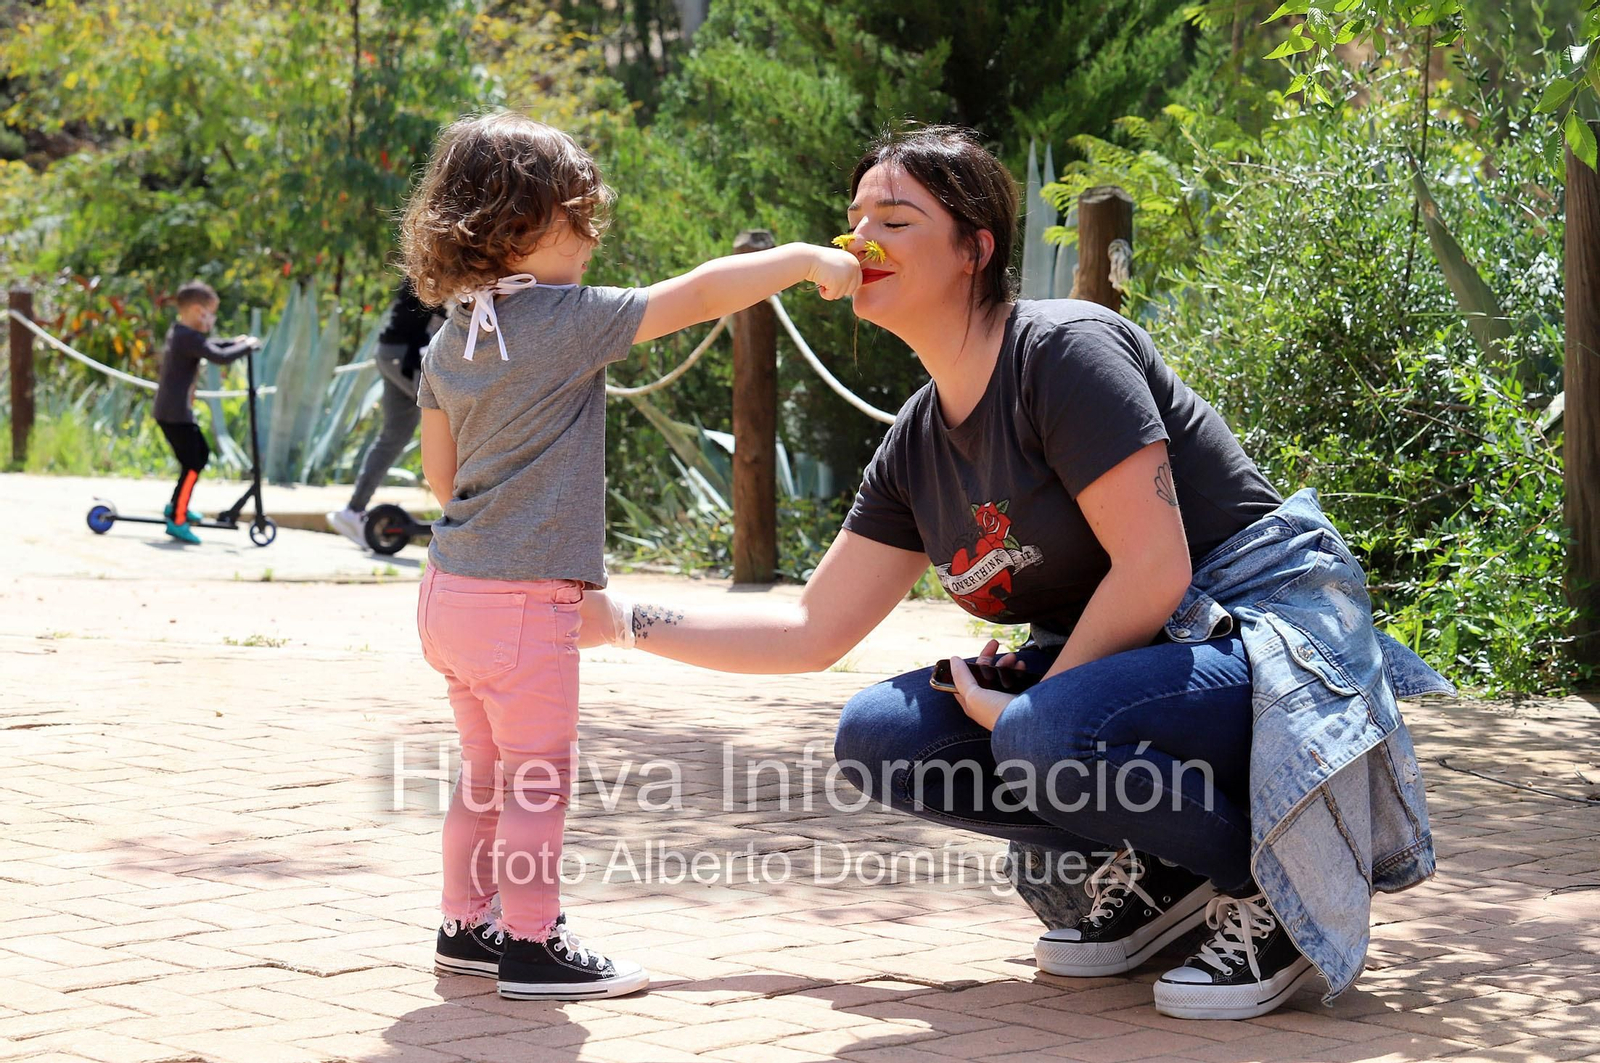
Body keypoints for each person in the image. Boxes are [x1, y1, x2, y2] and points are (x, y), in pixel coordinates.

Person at [577, 125, 1454, 1021]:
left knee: (1044, 733)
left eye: (895, 218)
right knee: (883, 736)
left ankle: (1268, 889)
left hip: (1263, 637)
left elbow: (1156, 570)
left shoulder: (1064, 353)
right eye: (852, 221)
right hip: (1132, 669)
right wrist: (616, 620)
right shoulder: (917, 443)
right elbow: (812, 630)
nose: (858, 242)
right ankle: (1163, 872)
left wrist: (1032, 710)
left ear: (975, 247)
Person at [401, 111, 861, 1001]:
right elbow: (698, 292)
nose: (593, 239)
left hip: (446, 593)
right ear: (521, 226)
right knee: (538, 779)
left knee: (485, 771)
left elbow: (440, 476)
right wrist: (805, 259)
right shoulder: (568, 320)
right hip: (525, 603)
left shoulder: (451, 336)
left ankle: (467, 922)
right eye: (580, 219)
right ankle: (532, 943)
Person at [326, 277, 446, 547]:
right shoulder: (434, 267)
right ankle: (463, 509)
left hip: (391, 353)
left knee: (395, 435)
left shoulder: (425, 262)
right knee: (454, 418)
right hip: (406, 356)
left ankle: (353, 510)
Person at [152, 281, 261, 545]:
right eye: (210, 313)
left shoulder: (181, 333)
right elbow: (218, 356)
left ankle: (177, 506)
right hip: (174, 414)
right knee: (195, 461)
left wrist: (234, 342)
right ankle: (177, 519)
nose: (212, 319)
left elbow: (209, 345)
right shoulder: (186, 337)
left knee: (197, 457)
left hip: (172, 412)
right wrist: (248, 346)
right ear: (198, 311)